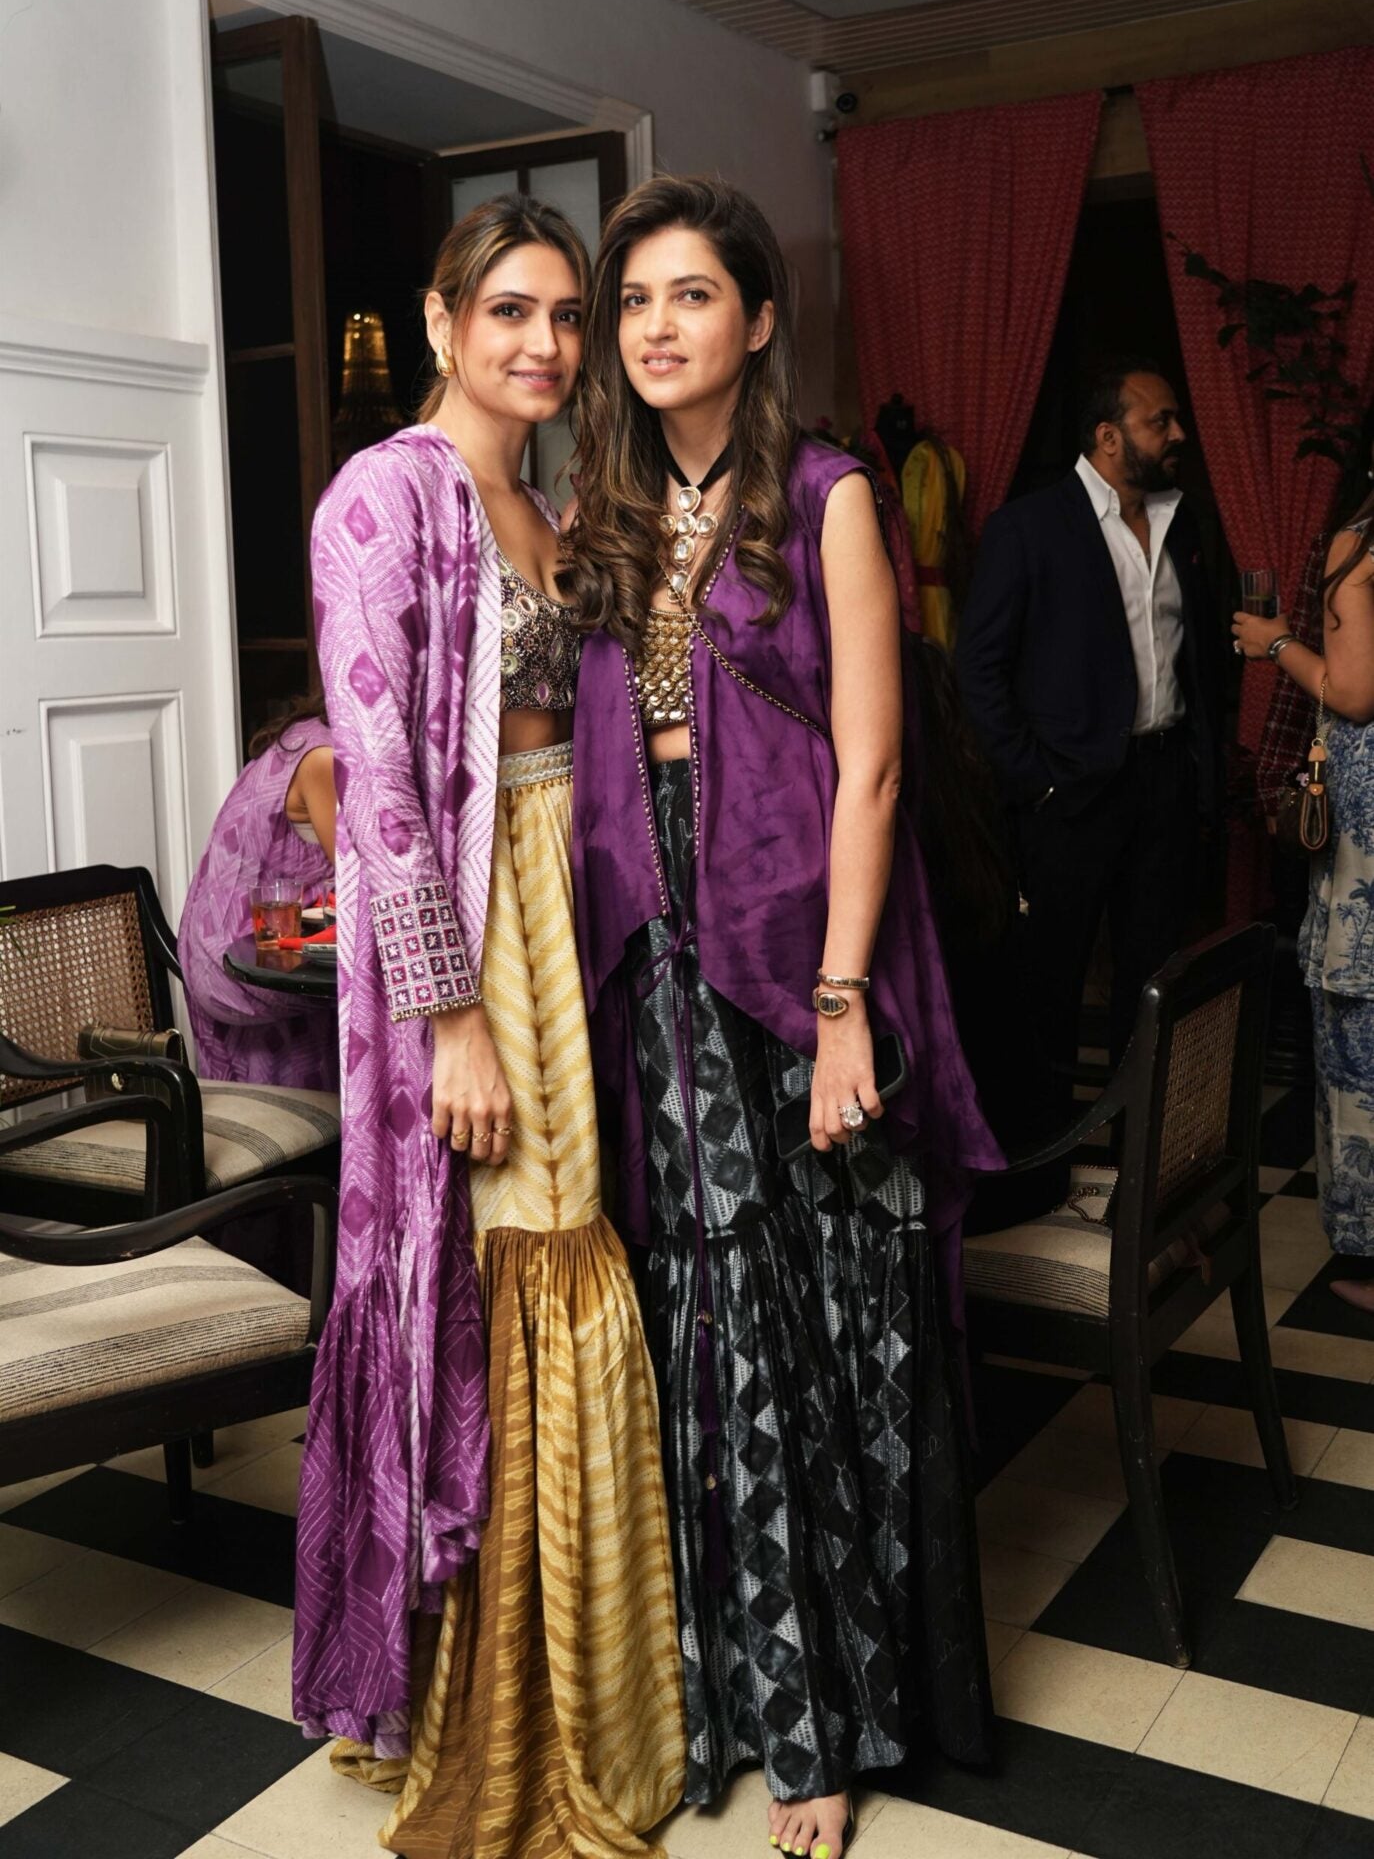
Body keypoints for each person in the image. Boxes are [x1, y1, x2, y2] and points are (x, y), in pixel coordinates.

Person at [565, 175, 998, 1859]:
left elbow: (872, 766)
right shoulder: (609, 514)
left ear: (755, 321)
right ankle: (731, 1690)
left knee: (823, 1311)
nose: (655, 325)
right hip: (658, 953)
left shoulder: (823, 496)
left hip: (802, 942)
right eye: (633, 299)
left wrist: (839, 1004)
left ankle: (826, 1716)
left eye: (690, 294)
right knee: (713, 1307)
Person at [291, 196, 685, 1859]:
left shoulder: (556, 502)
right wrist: (448, 1018)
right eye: (509, 310)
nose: (543, 343)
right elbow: (380, 783)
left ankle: (603, 1687)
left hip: (565, 896)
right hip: (467, 934)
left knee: (581, 1247)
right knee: (513, 1262)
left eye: (565, 316)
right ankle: (497, 1715)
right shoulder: (384, 495)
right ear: (441, 322)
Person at [957, 359, 1223, 1126]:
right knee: (1049, 986)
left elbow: (1197, 659)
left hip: (1163, 783)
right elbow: (978, 671)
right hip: (1067, 795)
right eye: (1159, 421)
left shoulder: (1180, 522)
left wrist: (1202, 774)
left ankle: (1140, 1157)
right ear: (1109, 437)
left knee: (1153, 986)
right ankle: (1044, 1159)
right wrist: (1034, 780)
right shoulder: (1028, 528)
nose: (1178, 434)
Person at [1234, 454, 1374, 1314]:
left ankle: (1371, 1254)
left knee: (1359, 1019)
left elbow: (1353, 693)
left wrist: (1277, 642)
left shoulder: (1360, 545)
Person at [178, 694, 337, 1090]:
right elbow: (368, 876)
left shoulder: (308, 734)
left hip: (223, 943)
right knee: (403, 984)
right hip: (238, 957)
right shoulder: (322, 757)